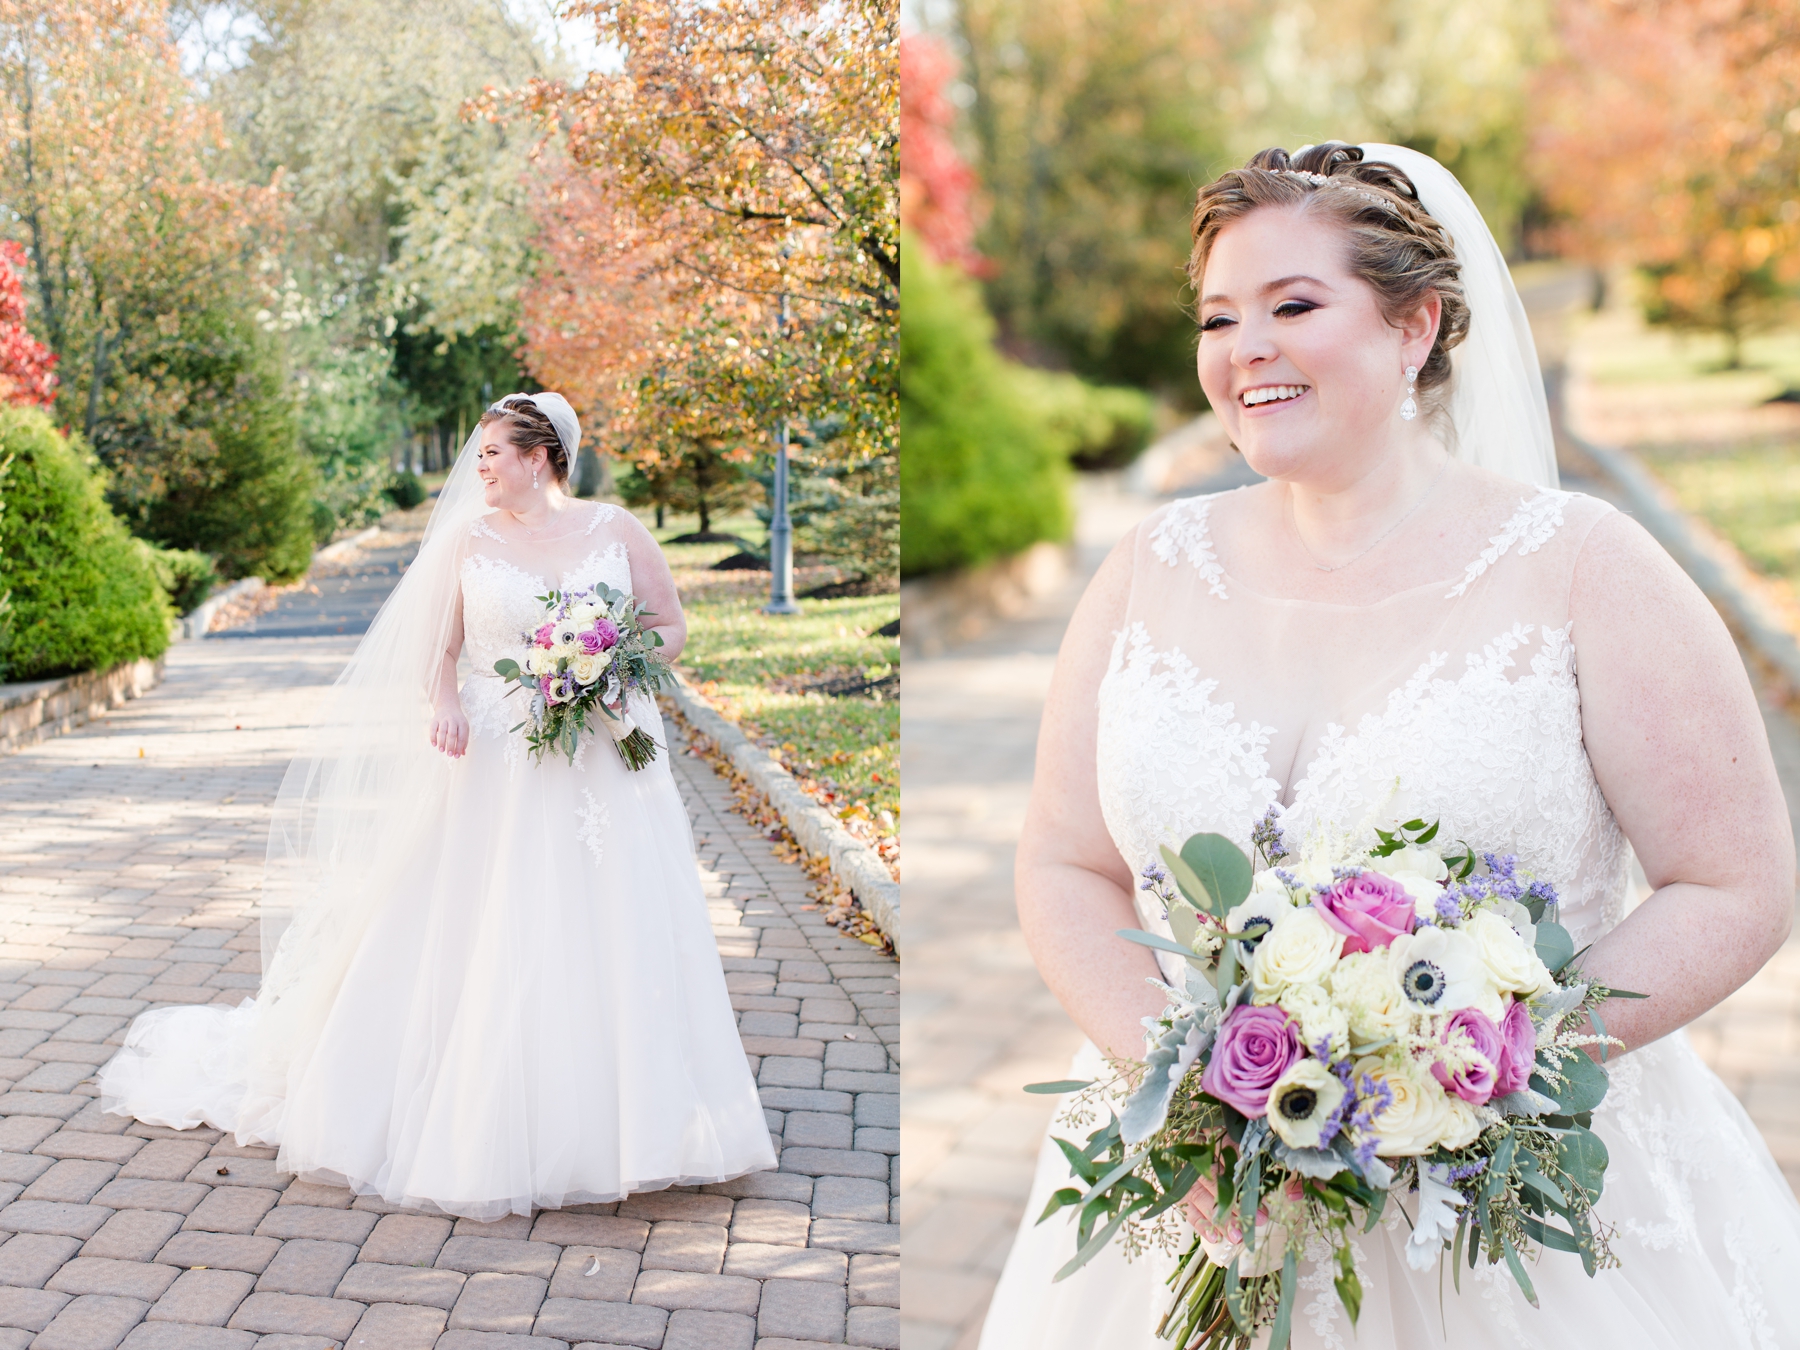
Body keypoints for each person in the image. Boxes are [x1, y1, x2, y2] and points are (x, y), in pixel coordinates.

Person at [979, 144, 1800, 1348]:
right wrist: (1185, 1091)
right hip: (1201, 1203)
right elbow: (1063, 861)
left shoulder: (1583, 566)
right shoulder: (1147, 570)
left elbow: (1735, 882)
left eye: (1292, 306)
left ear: (1415, 326)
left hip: (1514, 1225)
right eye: (1218, 317)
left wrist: (1484, 1063)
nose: (1242, 347)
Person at [98, 392, 776, 1221]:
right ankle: (489, 1109)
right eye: (480, 453)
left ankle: (643, 1122)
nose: (479, 467)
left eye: (493, 453)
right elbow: (437, 647)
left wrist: (615, 664)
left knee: (613, 919)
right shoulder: (468, 541)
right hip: (498, 757)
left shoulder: (617, 530)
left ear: (540, 457)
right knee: (493, 920)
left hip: (606, 752)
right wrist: (443, 704)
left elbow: (669, 625)